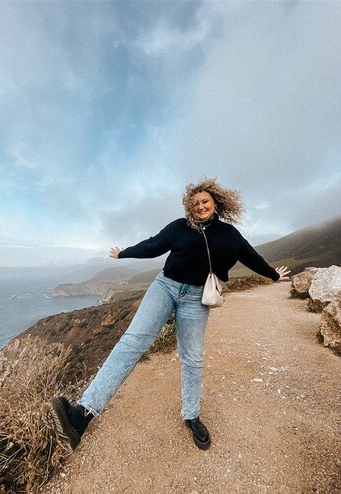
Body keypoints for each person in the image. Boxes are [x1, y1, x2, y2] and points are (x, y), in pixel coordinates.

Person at [50, 178, 290, 452]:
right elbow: (154, 245)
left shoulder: (229, 235)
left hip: (197, 298)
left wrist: (272, 275)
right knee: (132, 342)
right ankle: (82, 416)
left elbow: (250, 256)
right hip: (165, 287)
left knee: (192, 358)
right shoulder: (179, 227)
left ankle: (192, 416)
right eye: (195, 203)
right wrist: (124, 253)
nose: (200, 207)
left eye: (205, 202)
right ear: (190, 206)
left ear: (216, 204)